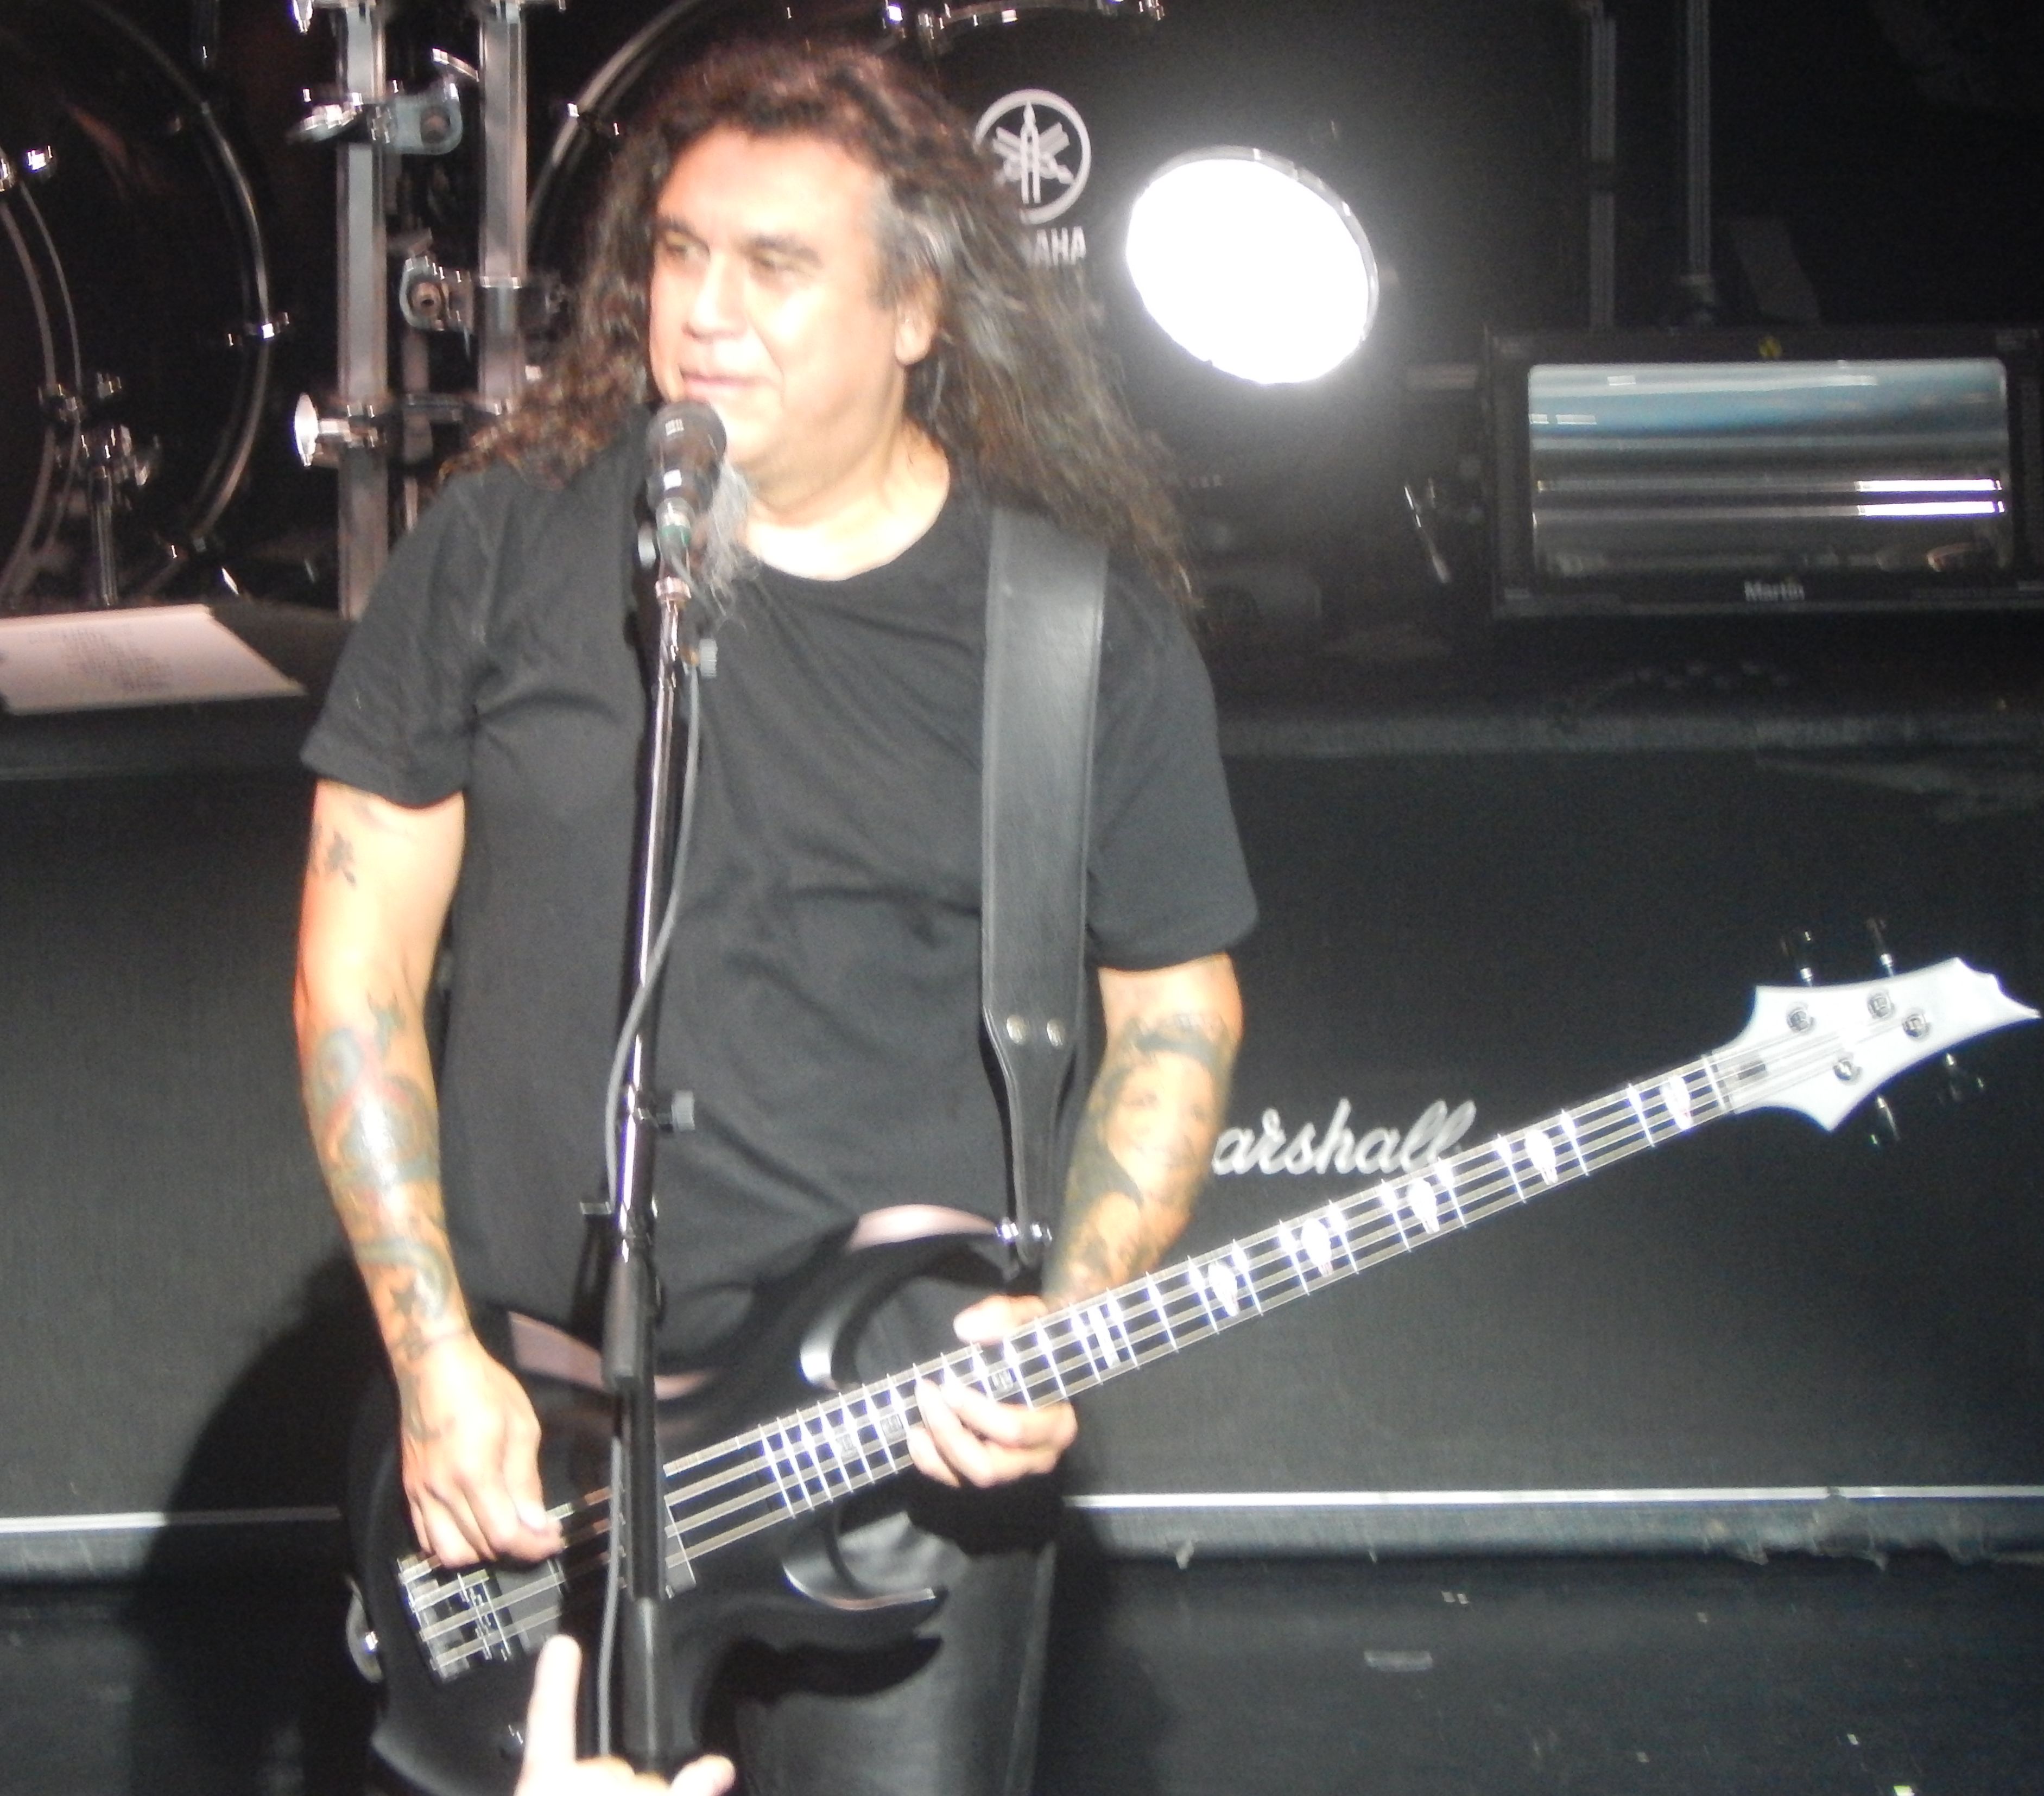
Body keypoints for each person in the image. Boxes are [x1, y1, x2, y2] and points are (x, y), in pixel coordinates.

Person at [294, 37, 1254, 1796]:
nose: (704, 311)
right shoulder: (503, 551)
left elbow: (1177, 1014)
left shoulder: (1072, 638)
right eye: (678, 253)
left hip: (894, 1459)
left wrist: (1071, 1308)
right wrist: (431, 1358)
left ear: (918, 311)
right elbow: (355, 966)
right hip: (527, 1438)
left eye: (775, 265)